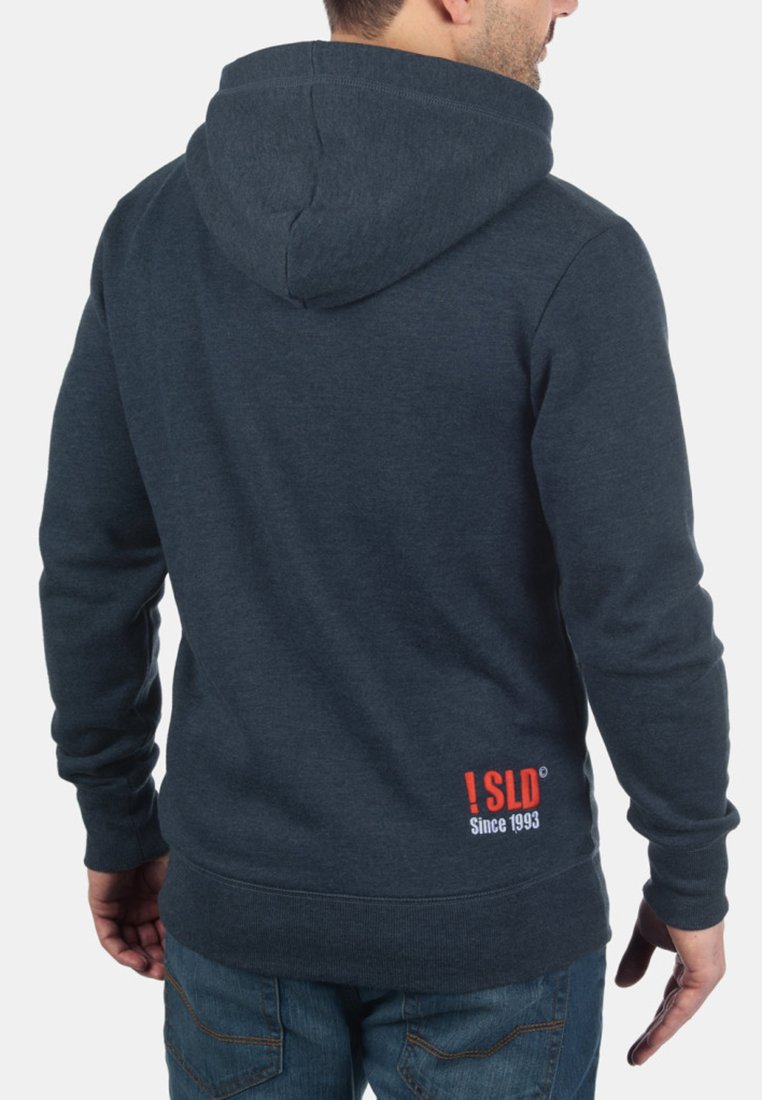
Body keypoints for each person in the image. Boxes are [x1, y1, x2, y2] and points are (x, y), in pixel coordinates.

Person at [37, 1, 740, 1096]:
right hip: (492, 902)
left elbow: (93, 561)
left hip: (241, 901)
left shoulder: (154, 229)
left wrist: (118, 819)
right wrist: (690, 865)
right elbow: (638, 608)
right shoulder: (574, 257)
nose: (568, 2)